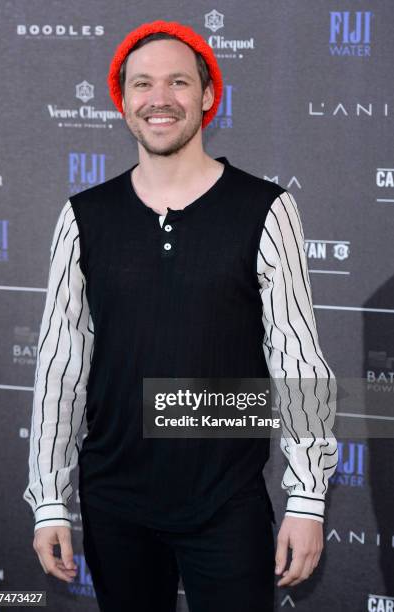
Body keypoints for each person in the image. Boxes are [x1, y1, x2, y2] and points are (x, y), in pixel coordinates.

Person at [23, 19, 338, 612]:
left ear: (207, 96)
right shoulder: (83, 217)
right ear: (123, 102)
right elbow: (60, 367)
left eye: (178, 83)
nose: (159, 99)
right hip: (114, 500)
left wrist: (307, 500)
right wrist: (49, 501)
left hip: (227, 500)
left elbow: (299, 358)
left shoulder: (266, 209)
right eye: (142, 85)